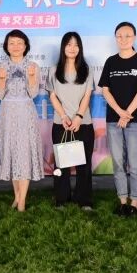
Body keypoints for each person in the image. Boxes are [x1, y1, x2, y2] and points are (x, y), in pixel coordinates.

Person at [98, 22, 137, 216]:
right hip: (114, 120)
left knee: (135, 163)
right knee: (118, 162)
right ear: (116, 38)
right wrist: (120, 112)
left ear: (134, 38)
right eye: (119, 36)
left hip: (136, 120)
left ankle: (134, 202)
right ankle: (122, 200)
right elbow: (105, 90)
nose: (123, 39)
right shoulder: (111, 61)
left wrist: (127, 113)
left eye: (128, 35)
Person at [0, 29, 43, 212]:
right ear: (6, 46)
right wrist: (1, 80)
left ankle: (22, 201)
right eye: (12, 43)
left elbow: (34, 93)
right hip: (7, 113)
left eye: (19, 43)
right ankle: (16, 196)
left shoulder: (33, 66)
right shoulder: (0, 66)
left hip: (25, 112)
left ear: (25, 46)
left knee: (24, 154)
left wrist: (31, 77)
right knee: (12, 153)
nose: (15, 46)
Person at [46, 31, 95, 210]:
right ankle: (61, 199)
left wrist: (79, 117)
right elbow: (52, 96)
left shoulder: (87, 70)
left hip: (84, 123)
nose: (72, 48)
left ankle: (84, 200)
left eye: (76, 45)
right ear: (63, 47)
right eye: (69, 44)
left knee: (84, 164)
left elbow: (87, 95)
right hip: (61, 123)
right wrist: (64, 116)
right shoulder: (53, 70)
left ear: (80, 48)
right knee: (62, 163)